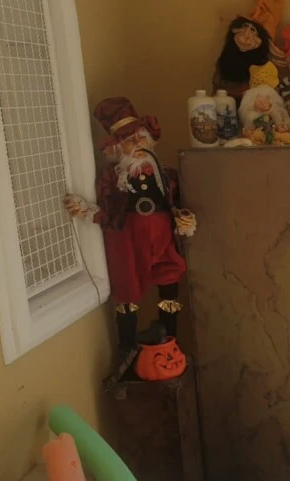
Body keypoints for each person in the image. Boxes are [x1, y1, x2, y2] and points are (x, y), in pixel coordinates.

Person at [62, 97, 196, 358]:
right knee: (126, 291)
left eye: (141, 138)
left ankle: (171, 342)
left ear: (151, 140)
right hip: (127, 241)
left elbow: (179, 204)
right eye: (129, 141)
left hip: (163, 238)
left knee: (170, 285)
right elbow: (108, 211)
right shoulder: (113, 178)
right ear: (118, 147)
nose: (138, 145)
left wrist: (185, 220)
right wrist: (86, 210)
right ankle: (127, 352)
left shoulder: (166, 174)